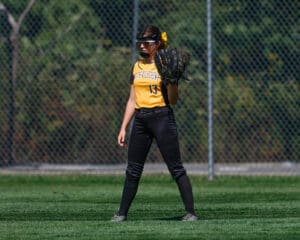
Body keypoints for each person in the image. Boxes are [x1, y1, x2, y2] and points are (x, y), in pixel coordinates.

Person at [111, 25, 198, 222]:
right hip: (141, 120)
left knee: (176, 168)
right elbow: (132, 100)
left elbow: (173, 100)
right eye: (140, 42)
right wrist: (124, 127)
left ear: (158, 44)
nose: (142, 45)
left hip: (162, 117)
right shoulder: (137, 66)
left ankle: (191, 212)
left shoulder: (166, 64)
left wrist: (173, 82)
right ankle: (122, 213)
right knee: (133, 170)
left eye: (147, 42)